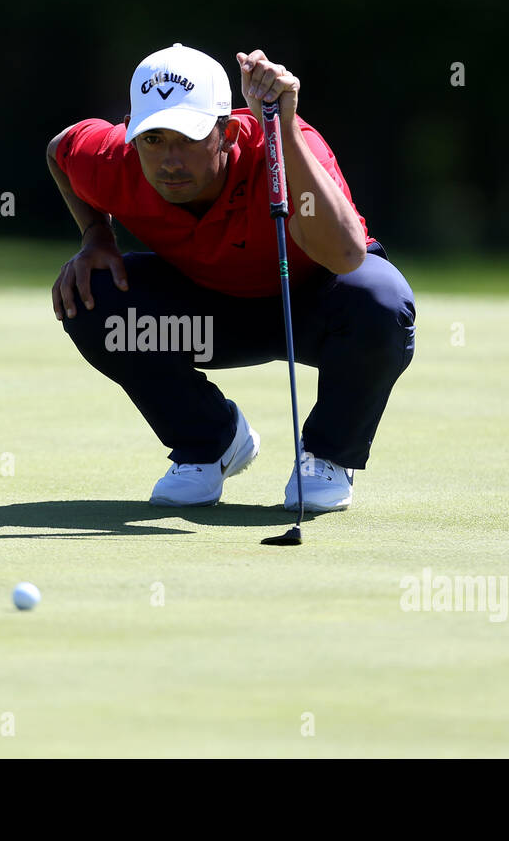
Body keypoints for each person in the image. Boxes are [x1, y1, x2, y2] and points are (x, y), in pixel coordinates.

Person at [46, 43, 415, 512]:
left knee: (380, 299)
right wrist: (96, 236)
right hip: (207, 320)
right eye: (153, 139)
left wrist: (283, 129)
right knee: (91, 294)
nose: (170, 161)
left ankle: (326, 456)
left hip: (309, 311)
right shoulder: (115, 160)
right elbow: (60, 150)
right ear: (132, 134)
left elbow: (345, 255)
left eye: (188, 138)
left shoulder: (282, 145)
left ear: (228, 130)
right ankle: (209, 442)